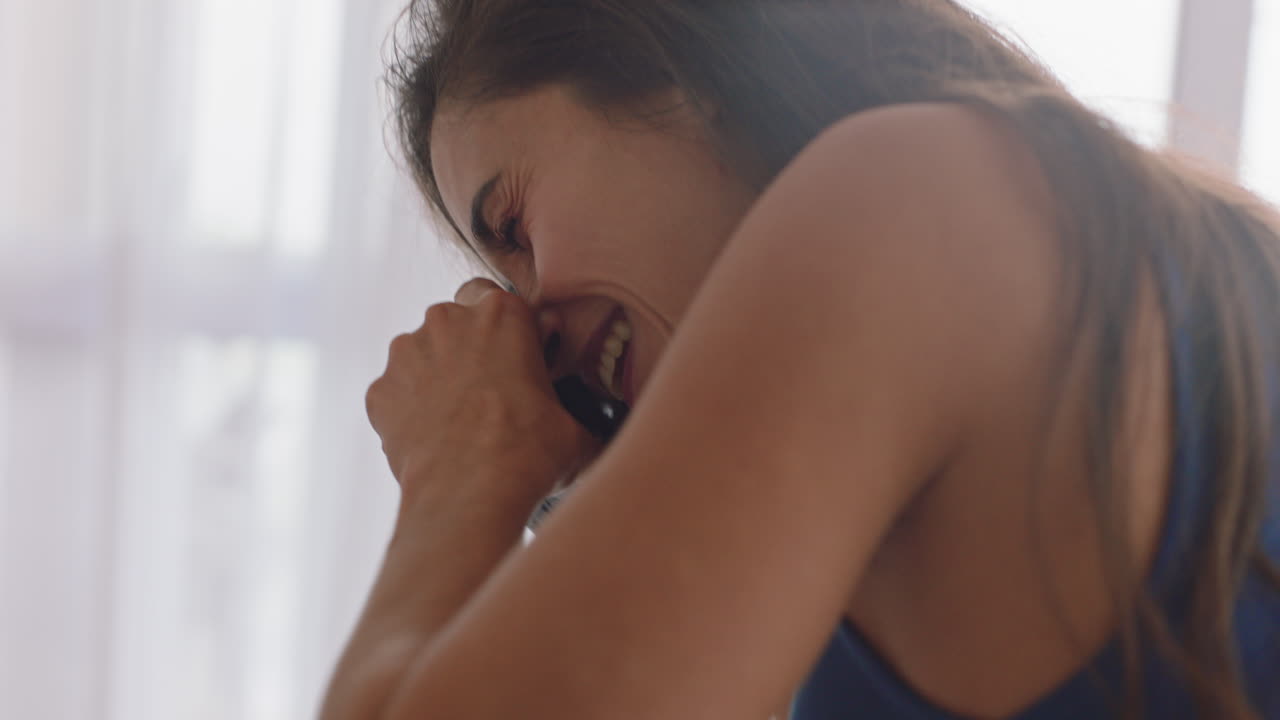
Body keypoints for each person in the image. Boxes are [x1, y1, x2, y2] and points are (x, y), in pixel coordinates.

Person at [320, 1, 1280, 718]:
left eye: (515, 226)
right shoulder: (1178, 247)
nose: (526, 328)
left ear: (677, 64)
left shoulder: (916, 199)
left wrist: (460, 472)